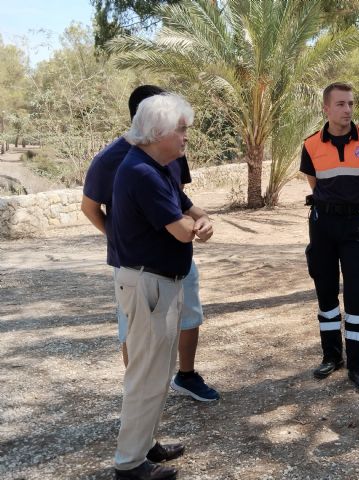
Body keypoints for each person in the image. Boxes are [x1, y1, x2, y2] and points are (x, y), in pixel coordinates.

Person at [82, 85, 220, 403]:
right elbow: (90, 208)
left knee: (189, 314)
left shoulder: (170, 151)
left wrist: (200, 218)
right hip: (136, 265)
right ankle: (140, 393)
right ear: (150, 120)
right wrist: (122, 241)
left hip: (175, 257)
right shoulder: (111, 160)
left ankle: (185, 376)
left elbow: (178, 198)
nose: (184, 133)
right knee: (135, 331)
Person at [111, 93, 213, 480]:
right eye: (181, 129)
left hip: (160, 282)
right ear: (157, 133)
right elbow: (183, 230)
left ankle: (144, 443)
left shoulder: (162, 164)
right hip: (147, 283)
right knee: (147, 373)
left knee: (159, 368)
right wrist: (199, 228)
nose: (186, 137)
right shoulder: (141, 172)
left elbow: (189, 209)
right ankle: (129, 464)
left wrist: (202, 221)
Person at [300, 82, 359, 393]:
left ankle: (358, 365)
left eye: (350, 103)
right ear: (326, 109)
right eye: (340, 104)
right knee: (325, 292)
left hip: (354, 227)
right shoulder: (310, 145)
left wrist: (353, 205)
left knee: (357, 294)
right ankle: (331, 356)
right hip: (322, 225)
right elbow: (315, 185)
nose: (347, 109)